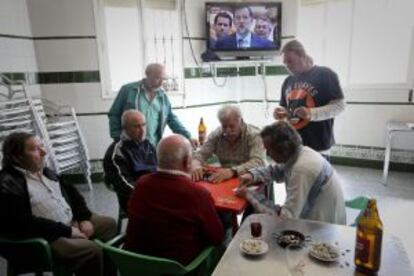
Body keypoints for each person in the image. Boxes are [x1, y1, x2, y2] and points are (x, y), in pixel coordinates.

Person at [0, 132, 117, 276]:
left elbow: (74, 194)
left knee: (109, 225)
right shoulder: (7, 183)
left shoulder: (44, 171)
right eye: (35, 149)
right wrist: (67, 231)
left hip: (68, 224)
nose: (44, 152)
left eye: (42, 146)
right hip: (44, 237)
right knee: (91, 251)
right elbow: (21, 222)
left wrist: (83, 218)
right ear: (16, 157)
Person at [125, 134, 224, 265]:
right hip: (177, 270)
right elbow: (216, 238)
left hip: (134, 265)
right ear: (188, 161)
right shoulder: (198, 194)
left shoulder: (141, 184)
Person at [236, 121, 346, 225]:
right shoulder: (301, 153)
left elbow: (286, 218)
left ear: (283, 149)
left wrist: (250, 195)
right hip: (324, 218)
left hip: (324, 230)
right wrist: (252, 175)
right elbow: (277, 171)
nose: (268, 154)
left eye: (269, 149)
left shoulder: (302, 170)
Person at [273, 40, 346, 158]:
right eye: (285, 64)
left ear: (302, 55)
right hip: (293, 144)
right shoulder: (288, 81)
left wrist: (311, 113)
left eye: (290, 61)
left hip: (318, 146)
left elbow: (340, 106)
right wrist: (280, 113)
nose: (287, 67)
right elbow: (285, 108)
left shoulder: (326, 74)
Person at [108, 63, 198, 147]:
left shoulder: (162, 96)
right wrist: (117, 137)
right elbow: (114, 114)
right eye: (157, 78)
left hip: (153, 146)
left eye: (163, 79)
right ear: (147, 75)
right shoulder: (128, 90)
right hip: (130, 145)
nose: (161, 83)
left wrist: (188, 136)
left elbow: (171, 118)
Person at [192, 105, 266, 184]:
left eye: (231, 126)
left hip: (252, 180)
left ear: (240, 121)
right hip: (226, 181)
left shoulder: (254, 135)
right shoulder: (217, 134)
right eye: (224, 126)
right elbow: (200, 154)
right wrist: (195, 164)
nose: (227, 131)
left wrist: (232, 171)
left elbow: (259, 162)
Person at [103, 110, 157, 213]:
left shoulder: (148, 145)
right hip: (135, 200)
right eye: (137, 126)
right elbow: (124, 184)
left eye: (144, 125)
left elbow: (161, 169)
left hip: (155, 193)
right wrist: (151, 195)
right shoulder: (117, 152)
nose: (142, 130)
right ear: (125, 128)